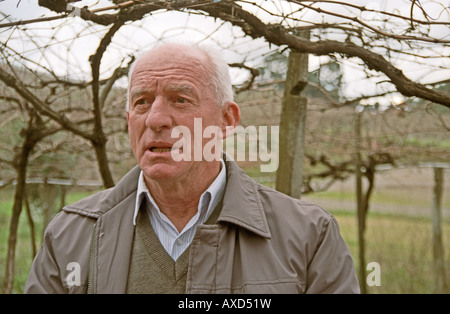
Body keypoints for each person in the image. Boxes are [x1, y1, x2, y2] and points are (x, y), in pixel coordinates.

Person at [24, 42, 360, 294]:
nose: (155, 119)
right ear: (129, 121)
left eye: (180, 99)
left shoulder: (309, 237)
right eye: (141, 102)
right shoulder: (69, 236)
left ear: (226, 120)